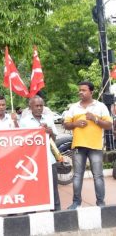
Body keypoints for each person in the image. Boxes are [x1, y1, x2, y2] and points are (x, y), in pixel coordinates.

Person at [64, 81, 112, 209]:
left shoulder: (100, 106)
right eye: (79, 90)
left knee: (98, 176)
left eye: (84, 90)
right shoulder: (74, 107)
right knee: (77, 175)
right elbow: (66, 124)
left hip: (95, 146)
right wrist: (75, 124)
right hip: (79, 145)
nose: (81, 92)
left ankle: (101, 203)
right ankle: (76, 203)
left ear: (91, 92)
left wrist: (95, 119)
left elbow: (109, 125)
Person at [19, 95, 61, 211]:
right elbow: (21, 141)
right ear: (30, 107)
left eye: (41, 106)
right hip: (32, 160)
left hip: (49, 158)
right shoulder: (24, 122)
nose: (39, 108)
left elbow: (54, 139)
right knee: (31, 187)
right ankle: (31, 211)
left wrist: (50, 132)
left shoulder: (48, 119)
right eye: (36, 106)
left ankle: (56, 210)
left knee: (53, 187)